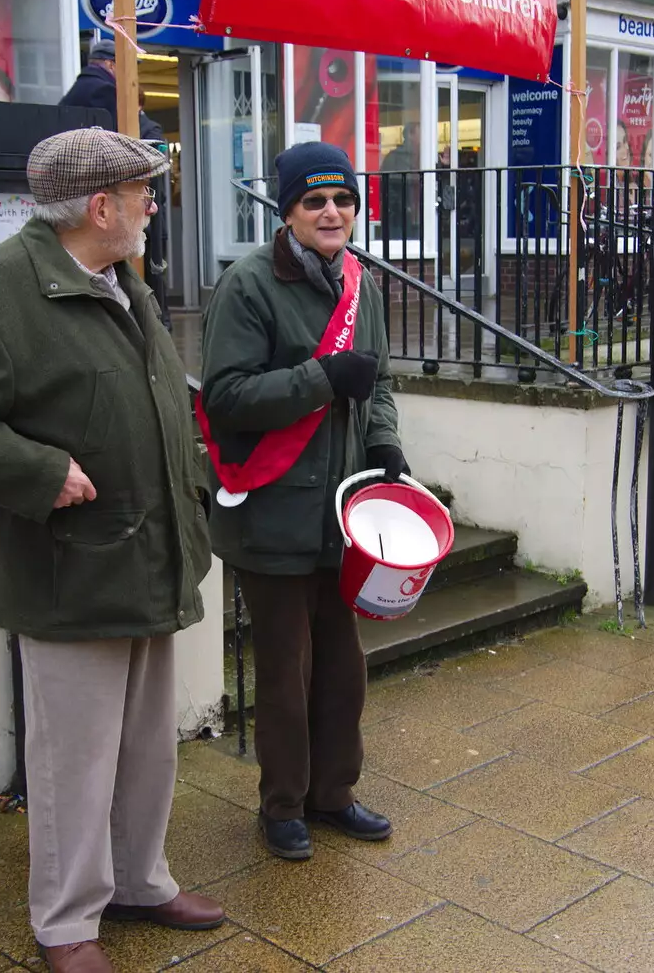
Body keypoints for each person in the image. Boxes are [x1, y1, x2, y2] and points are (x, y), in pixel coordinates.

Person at [0, 127, 222, 973]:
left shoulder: (120, 280)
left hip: (149, 554)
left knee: (148, 744)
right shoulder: (2, 292)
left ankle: (140, 881)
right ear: (101, 205)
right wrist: (39, 471)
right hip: (69, 568)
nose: (154, 204)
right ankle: (68, 923)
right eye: (143, 192)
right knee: (74, 759)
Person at [199, 142, 403, 860]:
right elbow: (225, 397)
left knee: (343, 665)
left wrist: (384, 445)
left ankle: (333, 794)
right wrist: (320, 377)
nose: (332, 212)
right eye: (315, 201)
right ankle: (281, 804)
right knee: (286, 668)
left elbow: (377, 383)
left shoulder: (362, 285)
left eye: (343, 200)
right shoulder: (249, 285)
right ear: (287, 211)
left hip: (342, 514)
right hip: (272, 507)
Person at [62, 39, 173, 327]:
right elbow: (144, 145)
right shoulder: (106, 93)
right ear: (113, 65)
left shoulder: (72, 95)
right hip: (109, 215)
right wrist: (146, 123)